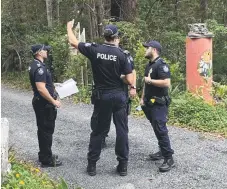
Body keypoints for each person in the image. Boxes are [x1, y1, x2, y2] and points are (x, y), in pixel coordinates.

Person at [67, 20, 134, 176]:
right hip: (118, 96)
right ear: (116, 37)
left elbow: (73, 41)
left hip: (102, 96)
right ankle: (123, 166)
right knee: (122, 130)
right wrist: (121, 78)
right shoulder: (122, 54)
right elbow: (130, 80)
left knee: (98, 131)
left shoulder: (94, 49)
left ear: (104, 36)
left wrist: (69, 27)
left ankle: (92, 165)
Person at [140, 40, 175, 172]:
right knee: (156, 128)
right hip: (149, 103)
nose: (145, 50)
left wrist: (151, 81)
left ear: (154, 49)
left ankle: (169, 158)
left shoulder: (161, 65)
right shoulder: (149, 65)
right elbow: (145, 83)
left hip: (159, 103)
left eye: (147, 48)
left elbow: (166, 83)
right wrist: (142, 98)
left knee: (161, 129)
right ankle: (162, 151)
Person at [28, 44, 62, 167]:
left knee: (43, 130)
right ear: (38, 52)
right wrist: (54, 102)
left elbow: (44, 85)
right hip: (44, 104)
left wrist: (55, 90)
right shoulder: (39, 68)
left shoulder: (36, 65)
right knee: (46, 131)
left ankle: (44, 154)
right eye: (44, 49)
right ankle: (46, 159)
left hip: (41, 102)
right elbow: (41, 89)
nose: (46, 51)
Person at [101, 40, 137, 149]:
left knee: (122, 120)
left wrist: (133, 87)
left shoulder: (124, 54)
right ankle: (102, 137)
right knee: (103, 117)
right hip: (105, 90)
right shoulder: (102, 54)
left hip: (121, 90)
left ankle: (122, 141)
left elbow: (132, 71)